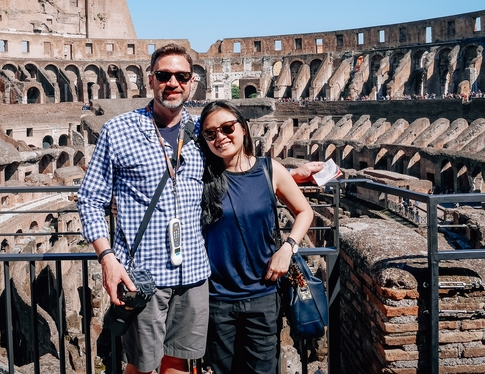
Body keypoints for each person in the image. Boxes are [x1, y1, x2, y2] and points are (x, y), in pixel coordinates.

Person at [78, 44, 322, 374]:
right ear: (151, 80)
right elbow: (91, 200)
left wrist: (288, 177)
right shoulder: (119, 130)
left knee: (178, 361)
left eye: (182, 76)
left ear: (193, 82)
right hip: (144, 275)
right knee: (142, 365)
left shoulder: (200, 132)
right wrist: (107, 259)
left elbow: (235, 173)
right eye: (164, 75)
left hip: (194, 275)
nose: (173, 83)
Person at [198, 100, 314, 374]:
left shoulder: (269, 169)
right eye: (210, 133)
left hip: (263, 292)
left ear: (243, 129)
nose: (220, 137)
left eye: (227, 128)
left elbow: (304, 211)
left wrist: (288, 248)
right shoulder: (200, 175)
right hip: (216, 296)